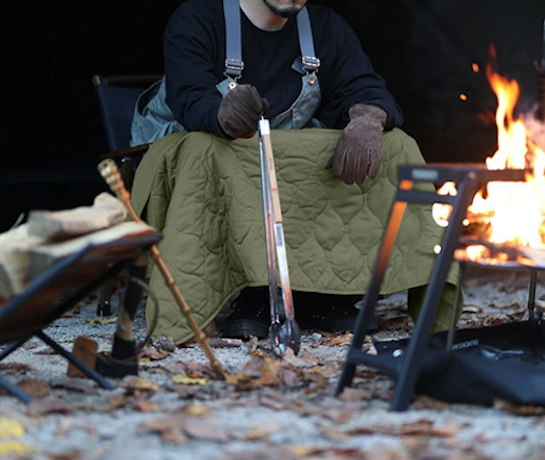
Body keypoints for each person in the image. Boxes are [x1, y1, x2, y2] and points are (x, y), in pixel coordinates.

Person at [129, 0, 461, 345]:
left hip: (277, 154)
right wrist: (221, 112)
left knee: (397, 143)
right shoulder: (197, 17)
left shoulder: (326, 26)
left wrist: (368, 116)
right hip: (202, 148)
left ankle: (323, 292)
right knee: (206, 150)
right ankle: (251, 295)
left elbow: (364, 85)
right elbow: (189, 96)